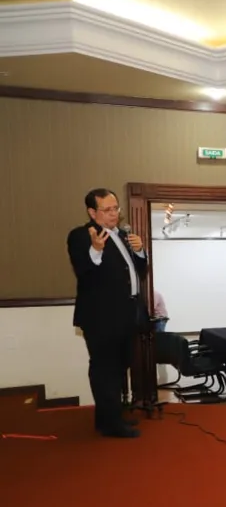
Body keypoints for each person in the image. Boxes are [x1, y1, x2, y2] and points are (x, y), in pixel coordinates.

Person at [67, 188, 146, 438]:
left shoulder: (122, 235)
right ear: (92, 212)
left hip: (126, 314)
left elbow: (138, 272)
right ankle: (111, 423)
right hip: (101, 317)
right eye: (107, 210)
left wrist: (140, 251)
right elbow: (84, 270)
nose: (114, 214)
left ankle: (110, 417)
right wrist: (96, 250)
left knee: (120, 366)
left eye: (116, 208)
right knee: (104, 369)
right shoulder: (80, 236)